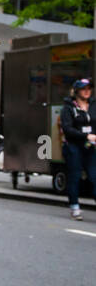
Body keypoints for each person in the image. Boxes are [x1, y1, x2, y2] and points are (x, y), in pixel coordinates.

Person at [59, 78, 96, 220]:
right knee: (75, 177)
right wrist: (86, 136)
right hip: (74, 146)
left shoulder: (93, 105)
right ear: (76, 91)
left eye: (89, 88)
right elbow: (67, 129)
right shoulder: (68, 108)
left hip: (90, 147)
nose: (87, 91)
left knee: (94, 177)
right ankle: (75, 207)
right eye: (83, 88)